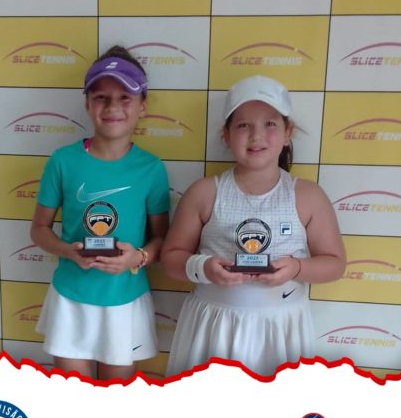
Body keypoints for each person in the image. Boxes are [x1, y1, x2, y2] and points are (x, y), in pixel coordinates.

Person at [161, 75, 346, 377]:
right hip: (214, 326)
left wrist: (296, 268)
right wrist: (203, 267)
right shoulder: (204, 192)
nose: (256, 135)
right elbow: (171, 258)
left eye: (270, 124)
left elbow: (334, 264)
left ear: (288, 132)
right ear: (226, 135)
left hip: (280, 327)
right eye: (243, 125)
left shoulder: (308, 196)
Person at [31, 45, 170, 380]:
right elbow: (39, 229)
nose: (112, 107)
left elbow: (162, 240)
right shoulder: (62, 161)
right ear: (87, 104)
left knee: (116, 398)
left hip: (124, 299)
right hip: (71, 298)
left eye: (125, 98)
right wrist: (68, 251)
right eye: (101, 98)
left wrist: (136, 258)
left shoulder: (151, 168)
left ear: (142, 106)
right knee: (73, 396)